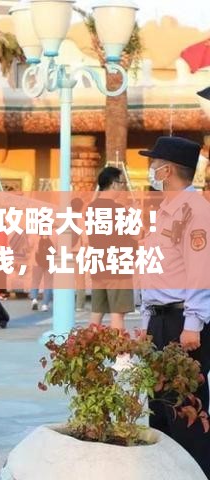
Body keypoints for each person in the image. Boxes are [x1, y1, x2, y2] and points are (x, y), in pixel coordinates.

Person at [139, 136, 210, 476]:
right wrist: (146, 321)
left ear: (167, 170)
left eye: (154, 164)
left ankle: (196, 473)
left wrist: (193, 322)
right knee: (160, 411)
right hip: (160, 321)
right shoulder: (167, 210)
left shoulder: (195, 211)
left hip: (182, 323)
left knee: (185, 412)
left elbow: (201, 269)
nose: (151, 170)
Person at [88, 166, 135, 330]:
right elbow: (133, 236)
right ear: (114, 183)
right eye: (122, 183)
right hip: (117, 265)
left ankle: (88, 344)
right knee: (118, 314)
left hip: (98, 264)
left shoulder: (91, 208)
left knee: (97, 312)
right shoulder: (119, 210)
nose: (122, 187)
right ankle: (119, 347)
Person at [29, 234, 53, 312]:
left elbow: (29, 245)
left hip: (36, 262)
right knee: (48, 283)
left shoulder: (34, 236)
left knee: (35, 282)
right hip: (50, 262)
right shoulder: (54, 235)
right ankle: (45, 304)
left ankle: (34, 299)